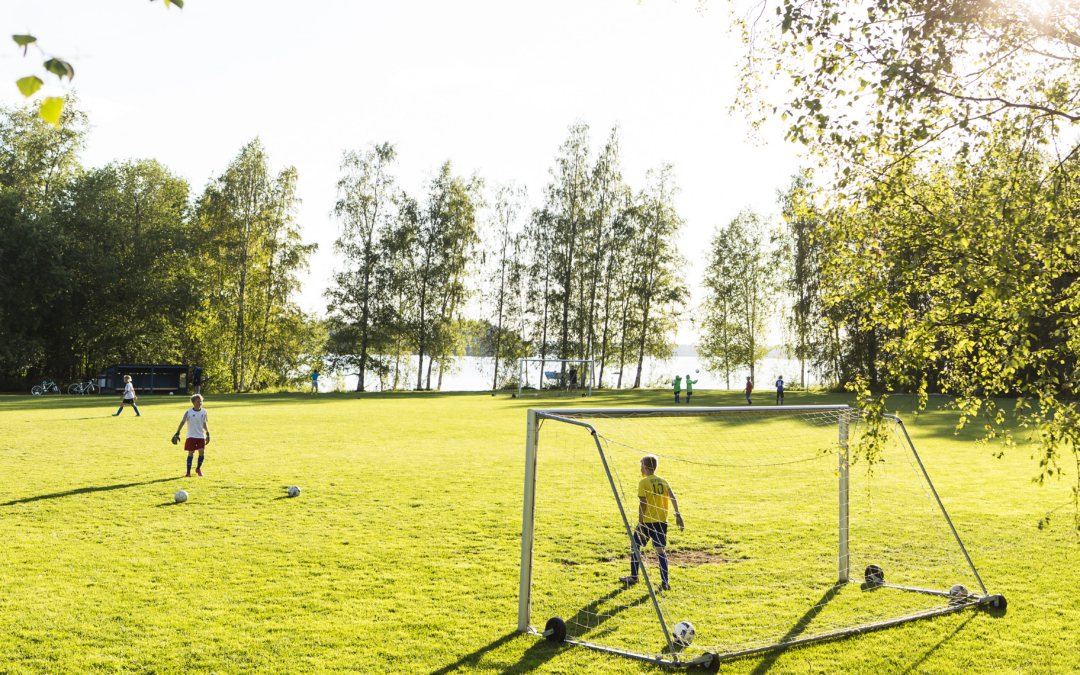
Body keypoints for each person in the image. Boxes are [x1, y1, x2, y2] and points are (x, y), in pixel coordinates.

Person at [620, 454, 684, 591]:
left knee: (635, 548)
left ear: (646, 467)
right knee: (660, 552)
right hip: (661, 522)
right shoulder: (663, 480)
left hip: (647, 523)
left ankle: (634, 577)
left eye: (641, 466)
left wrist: (640, 523)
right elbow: (672, 496)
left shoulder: (643, 482)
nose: (640, 469)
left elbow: (643, 504)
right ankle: (665, 582)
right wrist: (678, 513)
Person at [173, 394, 210, 478]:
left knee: (202, 452)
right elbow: (182, 422)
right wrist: (178, 432)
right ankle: (188, 472)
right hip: (191, 436)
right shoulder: (189, 412)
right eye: (198, 401)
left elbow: (204, 423)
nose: (200, 403)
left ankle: (198, 469)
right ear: (193, 402)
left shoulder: (204, 411)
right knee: (191, 453)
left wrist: (207, 432)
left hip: (200, 435)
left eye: (201, 401)